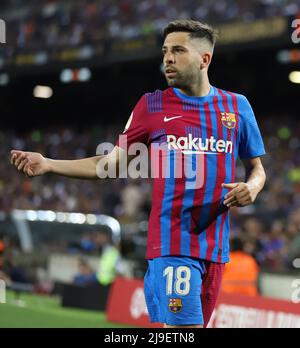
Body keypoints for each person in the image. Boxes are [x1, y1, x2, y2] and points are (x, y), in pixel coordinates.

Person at [10, 19, 266, 328]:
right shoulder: (152, 106)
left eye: (178, 50)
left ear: (204, 59)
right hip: (174, 243)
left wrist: (252, 187)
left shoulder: (236, 107)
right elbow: (107, 165)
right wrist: (50, 164)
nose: (167, 59)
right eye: (165, 51)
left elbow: (257, 169)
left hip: (215, 248)